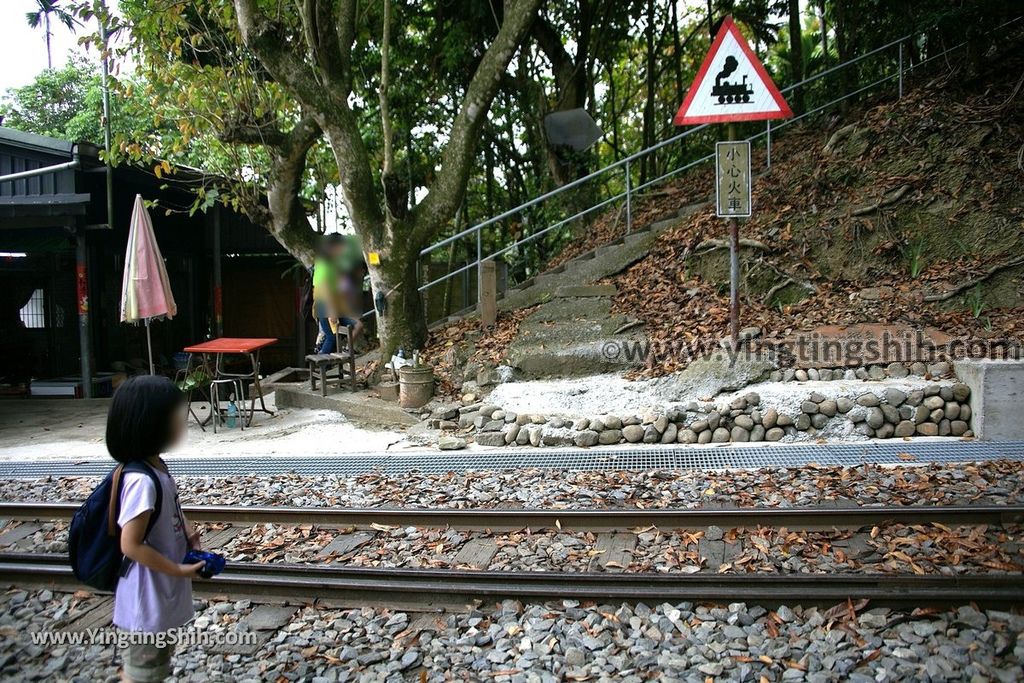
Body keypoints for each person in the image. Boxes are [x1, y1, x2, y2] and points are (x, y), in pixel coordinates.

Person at [107, 376, 205, 682]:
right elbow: (131, 545)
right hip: (144, 600)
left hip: (158, 594)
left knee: (156, 667)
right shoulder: (140, 480)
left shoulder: (156, 466)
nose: (183, 425)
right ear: (151, 424)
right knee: (143, 673)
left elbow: (170, 504)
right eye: (177, 419)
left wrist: (186, 531)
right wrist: (177, 570)